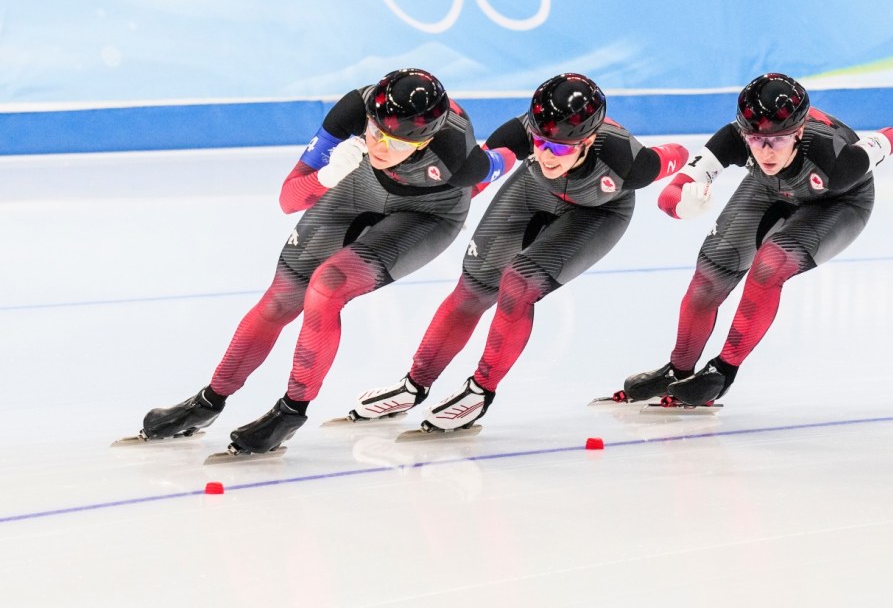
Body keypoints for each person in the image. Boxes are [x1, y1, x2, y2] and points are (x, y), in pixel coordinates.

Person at [136, 68, 516, 454]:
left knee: (326, 287)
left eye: (396, 143)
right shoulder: (354, 109)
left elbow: (503, 159)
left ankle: (290, 411)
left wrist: (512, 161)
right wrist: (328, 175)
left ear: (426, 142)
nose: (381, 147)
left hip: (427, 215)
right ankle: (208, 401)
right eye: (375, 133)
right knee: (280, 298)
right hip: (358, 186)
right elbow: (288, 199)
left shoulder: (456, 155)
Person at [349, 72, 689, 431]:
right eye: (541, 143)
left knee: (518, 284)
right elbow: (475, 174)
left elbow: (677, 154)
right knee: (472, 287)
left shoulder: (628, 161)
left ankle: (480, 391)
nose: (546, 154)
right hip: (531, 192)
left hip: (599, 212)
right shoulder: (520, 134)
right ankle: (414, 385)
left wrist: (689, 183)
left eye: (559, 148)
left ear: (588, 140)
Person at [620, 72, 893, 406]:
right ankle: (678, 371)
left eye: (778, 140)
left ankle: (723, 371)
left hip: (837, 201)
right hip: (768, 189)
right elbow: (671, 193)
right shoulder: (735, 138)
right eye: (756, 140)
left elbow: (891, 136)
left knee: (771, 264)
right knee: (710, 272)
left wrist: (878, 141)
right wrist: (683, 205)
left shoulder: (836, 159)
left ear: (799, 132)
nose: (766, 152)